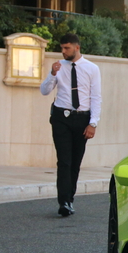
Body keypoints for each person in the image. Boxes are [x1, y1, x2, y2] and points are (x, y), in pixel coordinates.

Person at [40, 33, 102, 217]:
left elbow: (96, 97)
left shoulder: (92, 68)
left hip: (82, 119)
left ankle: (70, 199)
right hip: (61, 117)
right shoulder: (58, 67)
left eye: (67, 48)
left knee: (75, 161)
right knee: (64, 161)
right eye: (62, 48)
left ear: (77, 48)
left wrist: (93, 123)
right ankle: (64, 202)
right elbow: (44, 91)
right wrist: (52, 74)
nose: (63, 51)